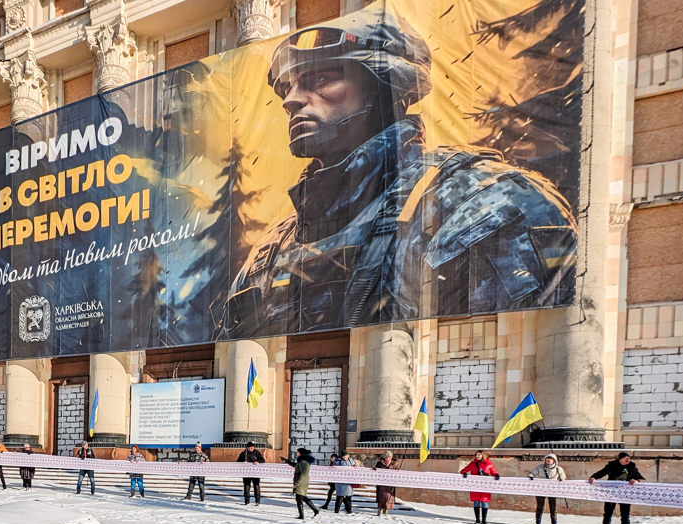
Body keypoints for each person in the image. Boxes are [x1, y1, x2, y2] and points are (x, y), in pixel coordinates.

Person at [219, 9, 577, 340]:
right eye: (288, 87)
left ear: (384, 85)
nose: (291, 100)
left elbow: (526, 363)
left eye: (321, 79)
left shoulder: (484, 204)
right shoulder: (269, 254)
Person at [588, 452, 645, 524]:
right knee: (608, 511)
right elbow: (602, 472)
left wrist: (635, 480)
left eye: (629, 458)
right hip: (611, 491)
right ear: (620, 459)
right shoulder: (612, 465)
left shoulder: (631, 466)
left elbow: (637, 477)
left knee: (625, 513)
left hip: (625, 492)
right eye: (626, 458)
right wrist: (593, 477)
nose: (628, 460)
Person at [528, 453, 566, 524]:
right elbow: (532, 473)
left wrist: (562, 479)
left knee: (553, 507)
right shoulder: (539, 467)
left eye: (550, 459)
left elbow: (563, 477)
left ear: (554, 461)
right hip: (541, 489)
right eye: (547, 459)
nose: (548, 461)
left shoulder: (558, 469)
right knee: (540, 506)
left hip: (552, 490)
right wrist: (531, 476)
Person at [460, 451, 500, 524]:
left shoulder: (489, 464)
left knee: (484, 502)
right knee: (476, 502)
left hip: (485, 486)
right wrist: (464, 473)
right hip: (475, 485)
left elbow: (493, 472)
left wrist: (496, 475)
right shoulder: (473, 464)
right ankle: (477, 519)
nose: (477, 456)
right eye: (476, 455)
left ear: (483, 455)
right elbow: (463, 470)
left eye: (479, 454)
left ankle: (484, 520)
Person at [284, 447, 320, 519]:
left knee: (299, 497)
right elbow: (296, 465)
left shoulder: (303, 462)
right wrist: (286, 461)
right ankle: (315, 510)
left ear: (300, 453)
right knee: (302, 497)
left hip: (301, 481)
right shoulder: (301, 461)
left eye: (297, 452)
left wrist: (298, 482)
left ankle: (301, 515)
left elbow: (304, 473)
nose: (296, 453)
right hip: (301, 481)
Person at [237, 441, 265, 505]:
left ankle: (257, 500)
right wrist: (243, 462)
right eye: (249, 447)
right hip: (246, 473)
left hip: (255, 473)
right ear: (247, 448)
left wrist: (258, 461)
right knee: (247, 487)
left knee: (256, 486)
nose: (251, 448)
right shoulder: (243, 454)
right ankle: (247, 501)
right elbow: (238, 462)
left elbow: (263, 460)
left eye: (252, 447)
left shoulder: (257, 453)